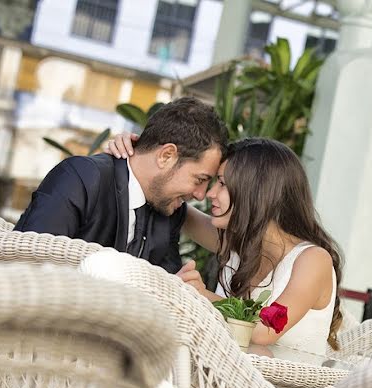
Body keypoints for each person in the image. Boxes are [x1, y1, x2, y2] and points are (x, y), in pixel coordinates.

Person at [107, 134, 343, 356]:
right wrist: (139, 160)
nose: (210, 194)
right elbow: (172, 201)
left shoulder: (312, 260)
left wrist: (203, 295)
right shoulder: (238, 245)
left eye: (222, 183)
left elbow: (265, 328)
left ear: (255, 193)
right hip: (228, 384)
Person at [15, 97, 227, 273]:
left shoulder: (170, 212)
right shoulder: (81, 178)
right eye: (200, 180)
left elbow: (165, 287)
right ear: (166, 155)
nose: (201, 195)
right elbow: (29, 265)